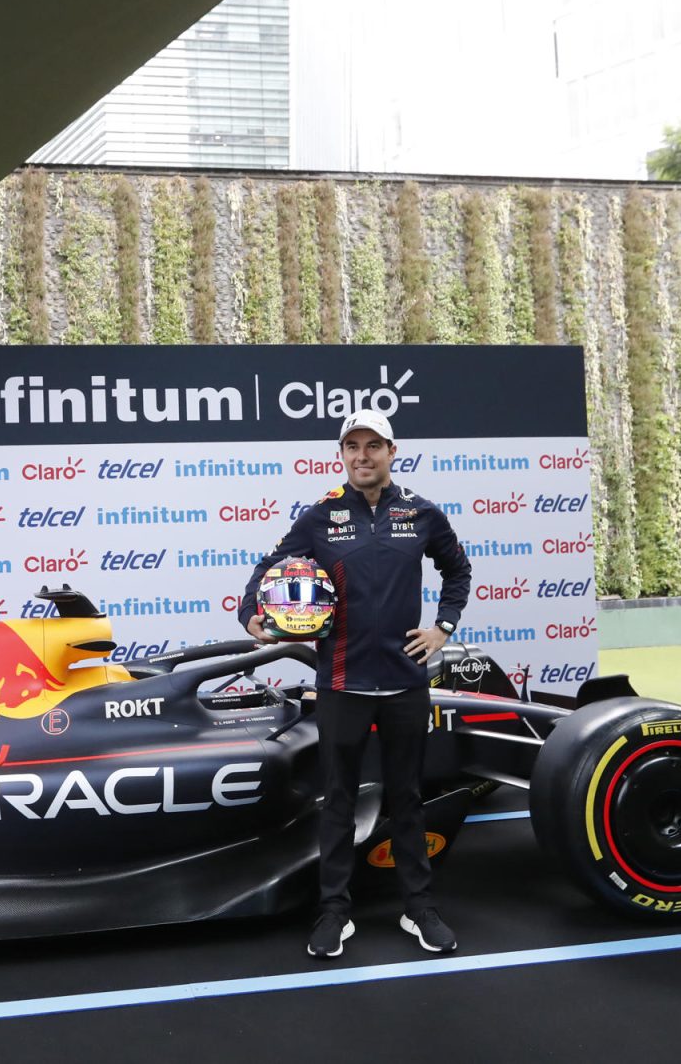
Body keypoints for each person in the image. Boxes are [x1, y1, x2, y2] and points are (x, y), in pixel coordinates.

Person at [239, 408, 471, 959]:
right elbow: (268, 568)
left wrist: (443, 627)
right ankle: (334, 910)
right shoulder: (319, 516)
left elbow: (457, 570)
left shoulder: (422, 513)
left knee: (408, 799)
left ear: (393, 451)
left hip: (405, 683)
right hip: (340, 683)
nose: (362, 456)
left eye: (373, 446)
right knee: (338, 802)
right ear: (341, 455)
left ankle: (418, 907)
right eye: (352, 447)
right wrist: (251, 613)